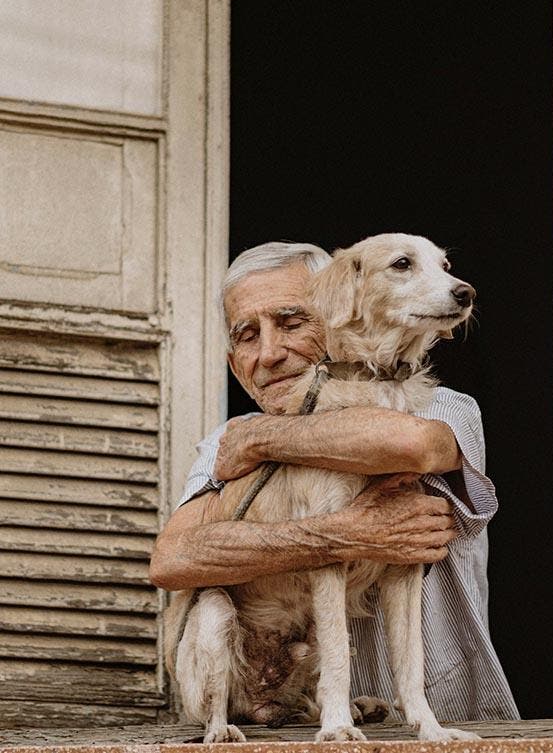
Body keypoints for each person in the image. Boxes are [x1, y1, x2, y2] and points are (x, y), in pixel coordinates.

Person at [150, 240, 519, 722]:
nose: (270, 353)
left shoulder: (441, 406)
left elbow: (411, 446)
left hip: (446, 721)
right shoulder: (227, 439)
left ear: (342, 312)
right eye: (246, 335)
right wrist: (336, 535)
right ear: (231, 360)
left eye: (291, 322)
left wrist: (264, 440)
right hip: (292, 725)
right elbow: (175, 558)